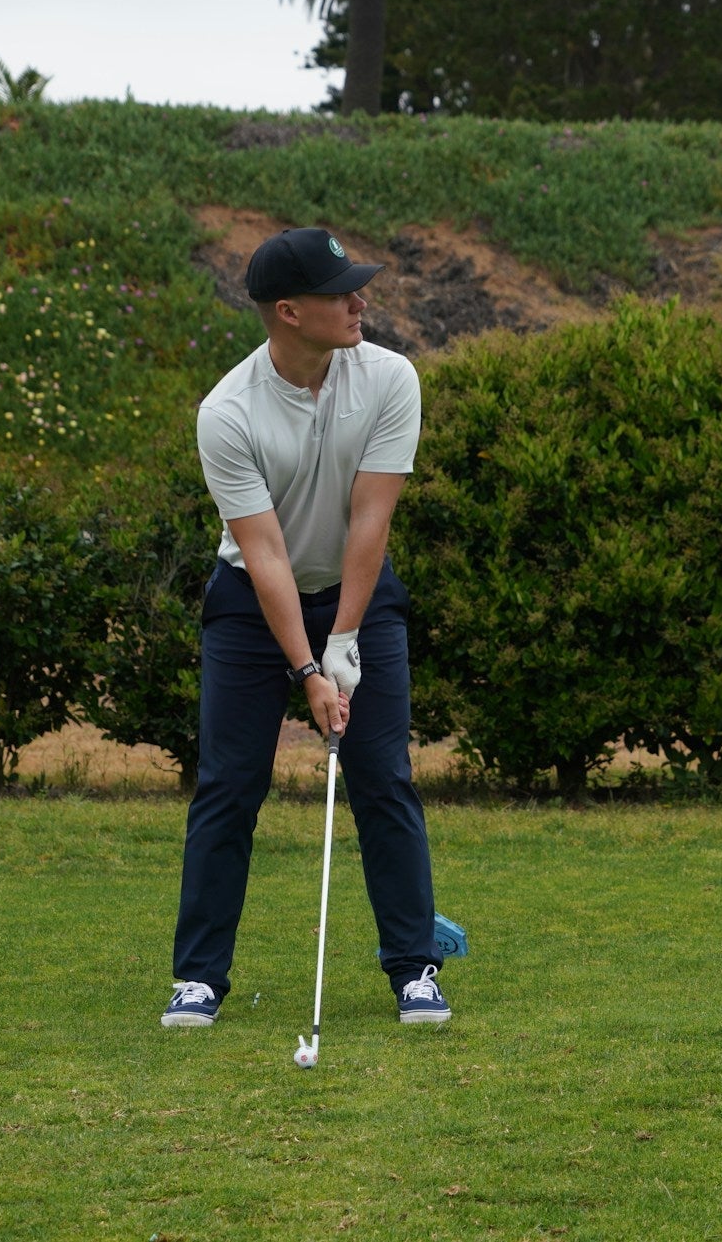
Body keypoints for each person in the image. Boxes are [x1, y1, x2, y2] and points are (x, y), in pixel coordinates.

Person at [162, 227, 449, 1029]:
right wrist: (307, 670)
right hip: (254, 606)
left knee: (383, 778)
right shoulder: (227, 412)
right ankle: (198, 978)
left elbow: (371, 517)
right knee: (228, 786)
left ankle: (414, 968)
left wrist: (346, 640)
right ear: (288, 312)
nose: (362, 302)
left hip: (359, 594)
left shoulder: (390, 378)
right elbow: (264, 554)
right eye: (341, 292)